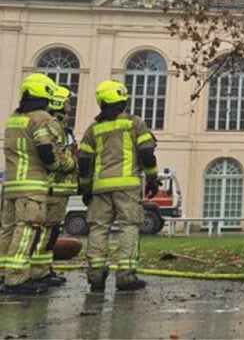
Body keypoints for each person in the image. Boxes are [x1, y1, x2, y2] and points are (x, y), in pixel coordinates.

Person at [78, 80, 160, 292]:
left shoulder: (93, 130)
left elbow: (84, 161)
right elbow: (147, 153)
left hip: (100, 188)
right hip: (127, 186)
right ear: (123, 99)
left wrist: (86, 188)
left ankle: (96, 276)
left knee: (98, 228)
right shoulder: (135, 123)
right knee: (129, 226)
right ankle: (126, 276)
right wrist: (152, 178)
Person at [1, 73, 74, 295]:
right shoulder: (42, 118)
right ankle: (17, 279)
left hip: (12, 183)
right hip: (32, 185)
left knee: (8, 230)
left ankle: (3, 273)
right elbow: (46, 149)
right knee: (27, 231)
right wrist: (63, 165)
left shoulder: (14, 117)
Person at [29, 86, 78, 287]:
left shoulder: (63, 127)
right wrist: (72, 164)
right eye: (68, 102)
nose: (70, 106)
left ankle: (43, 269)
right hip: (53, 187)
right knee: (45, 232)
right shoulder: (54, 126)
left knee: (51, 232)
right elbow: (56, 154)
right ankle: (38, 271)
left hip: (59, 189)